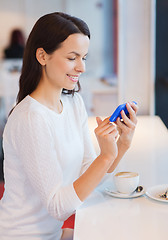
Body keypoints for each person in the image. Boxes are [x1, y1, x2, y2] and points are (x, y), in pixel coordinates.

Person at [0, 12, 138, 240]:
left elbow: (88, 174)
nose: (81, 67)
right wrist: (104, 157)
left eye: (84, 57)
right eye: (72, 57)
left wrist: (121, 145)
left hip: (51, 233)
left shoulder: (73, 102)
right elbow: (58, 207)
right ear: (42, 56)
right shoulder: (30, 118)